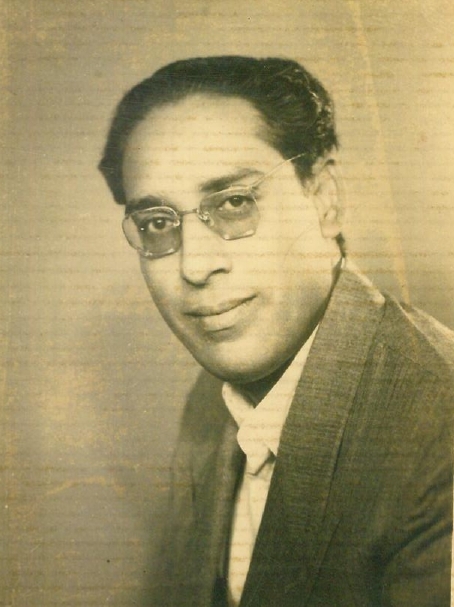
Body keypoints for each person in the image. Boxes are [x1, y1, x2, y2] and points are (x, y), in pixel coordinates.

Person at [98, 56, 454, 607]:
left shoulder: (439, 430)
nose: (195, 265)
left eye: (234, 203)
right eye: (158, 223)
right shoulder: (208, 408)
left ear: (324, 198)